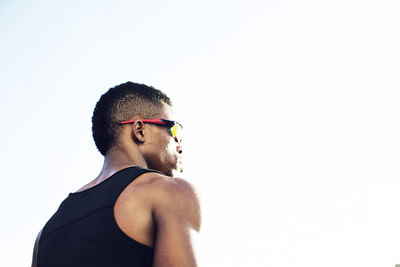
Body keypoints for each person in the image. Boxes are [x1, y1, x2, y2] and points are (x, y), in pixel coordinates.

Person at [31, 82, 201, 267]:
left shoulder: (45, 235)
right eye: (174, 129)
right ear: (140, 130)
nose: (179, 142)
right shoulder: (168, 192)